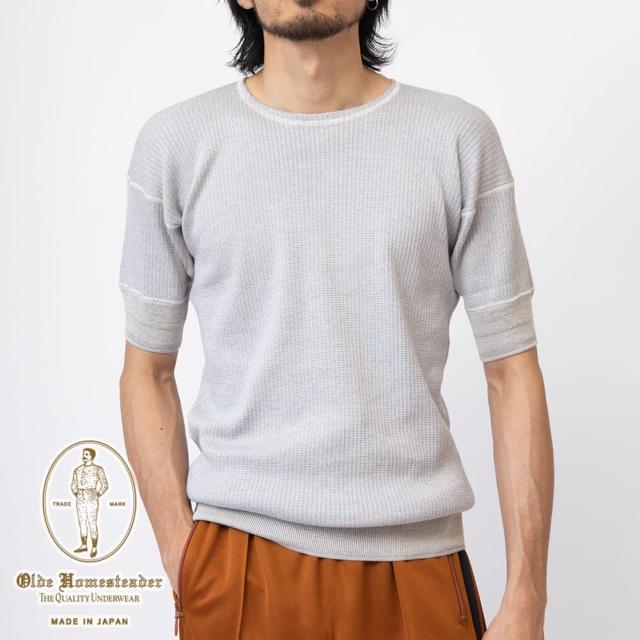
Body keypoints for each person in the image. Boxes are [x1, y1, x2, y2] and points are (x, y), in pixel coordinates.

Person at [118, 1, 554, 638]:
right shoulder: (175, 145)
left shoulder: (457, 137)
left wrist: (527, 595)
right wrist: (181, 554)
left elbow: (512, 370)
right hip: (236, 559)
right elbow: (146, 370)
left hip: (416, 559)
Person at [71, 447, 109, 558]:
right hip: (80, 497)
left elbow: (105, 485)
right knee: (82, 522)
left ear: (92, 456)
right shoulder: (77, 470)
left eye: (87, 454)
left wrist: (97, 494)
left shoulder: (98, 469)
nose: (84, 456)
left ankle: (94, 547)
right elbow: (73, 485)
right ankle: (84, 545)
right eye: (84, 454)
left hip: (91, 496)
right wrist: (77, 493)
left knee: (92, 522)